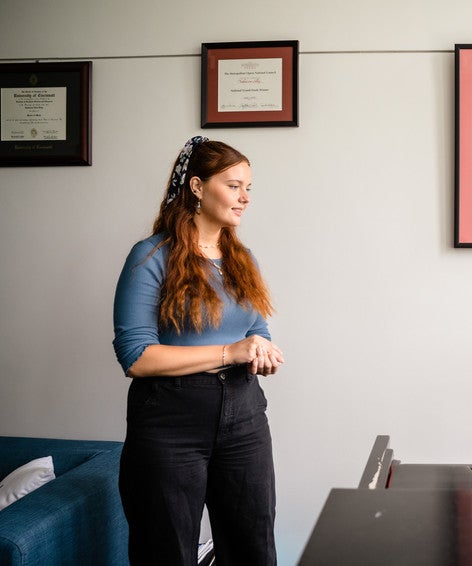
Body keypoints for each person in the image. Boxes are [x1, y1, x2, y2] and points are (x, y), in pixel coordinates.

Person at [112, 136, 283, 564]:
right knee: (166, 551)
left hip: (244, 418)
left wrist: (262, 351)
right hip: (170, 423)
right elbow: (136, 357)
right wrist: (231, 352)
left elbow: (255, 328)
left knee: (254, 548)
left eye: (248, 188)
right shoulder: (150, 256)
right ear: (196, 186)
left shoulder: (242, 258)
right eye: (233, 185)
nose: (245, 198)